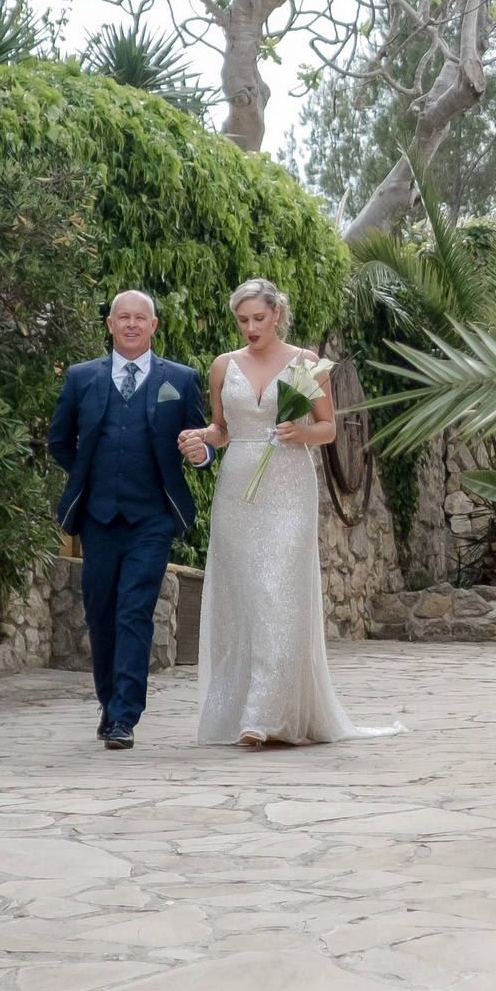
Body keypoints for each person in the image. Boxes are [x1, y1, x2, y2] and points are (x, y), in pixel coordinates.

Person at [182, 277, 403, 748]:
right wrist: (201, 437)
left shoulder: (306, 362)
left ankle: (261, 715)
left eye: (258, 318)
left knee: (278, 592)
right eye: (242, 320)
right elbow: (222, 428)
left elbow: (328, 429)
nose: (250, 328)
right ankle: (249, 706)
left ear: (276, 314)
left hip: (289, 487)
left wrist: (297, 433)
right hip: (238, 489)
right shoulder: (223, 365)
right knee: (246, 598)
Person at [48, 290, 205, 750]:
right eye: (124, 317)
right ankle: (109, 701)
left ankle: (124, 716)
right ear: (111, 324)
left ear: (153, 326)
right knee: (100, 612)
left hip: (152, 518)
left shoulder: (181, 379)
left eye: (141, 318)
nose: (132, 324)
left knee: (135, 610)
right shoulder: (82, 378)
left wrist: (202, 453)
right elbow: (59, 441)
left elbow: (201, 439)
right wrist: (88, 474)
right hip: (98, 517)